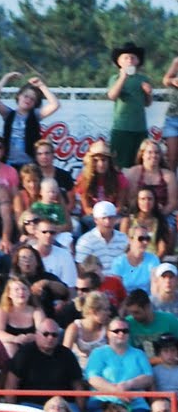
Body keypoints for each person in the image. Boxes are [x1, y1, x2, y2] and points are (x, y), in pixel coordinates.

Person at [84, 316, 153, 412]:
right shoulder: (98, 353)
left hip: (134, 403)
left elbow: (149, 377)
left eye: (125, 331)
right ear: (108, 333)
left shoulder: (139, 354)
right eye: (116, 331)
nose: (121, 334)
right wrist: (117, 391)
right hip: (103, 402)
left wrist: (128, 385)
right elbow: (93, 378)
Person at [5, 318, 85, 409]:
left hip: (62, 405)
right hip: (31, 406)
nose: (50, 338)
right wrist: (12, 411)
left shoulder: (67, 354)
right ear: (36, 334)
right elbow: (11, 384)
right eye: (45, 334)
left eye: (54, 335)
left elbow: (78, 386)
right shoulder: (24, 353)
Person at [0, 73, 60, 168]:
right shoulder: (8, 113)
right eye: (26, 96)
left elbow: (55, 105)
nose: (28, 100)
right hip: (9, 162)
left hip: (29, 164)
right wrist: (6, 78)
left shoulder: (35, 115)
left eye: (32, 99)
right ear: (19, 96)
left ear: (35, 103)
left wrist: (41, 85)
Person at [106, 43, 153, 171]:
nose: (130, 60)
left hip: (140, 128)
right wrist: (123, 77)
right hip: (121, 127)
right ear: (119, 61)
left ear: (138, 61)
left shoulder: (143, 79)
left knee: (139, 163)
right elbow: (112, 95)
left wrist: (148, 93)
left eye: (133, 57)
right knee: (118, 163)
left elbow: (148, 103)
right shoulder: (115, 78)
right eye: (126, 57)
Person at [75, 201, 129, 276]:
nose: (107, 222)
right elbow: (81, 268)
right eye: (103, 218)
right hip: (96, 281)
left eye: (110, 218)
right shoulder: (85, 241)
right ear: (95, 220)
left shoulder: (123, 239)